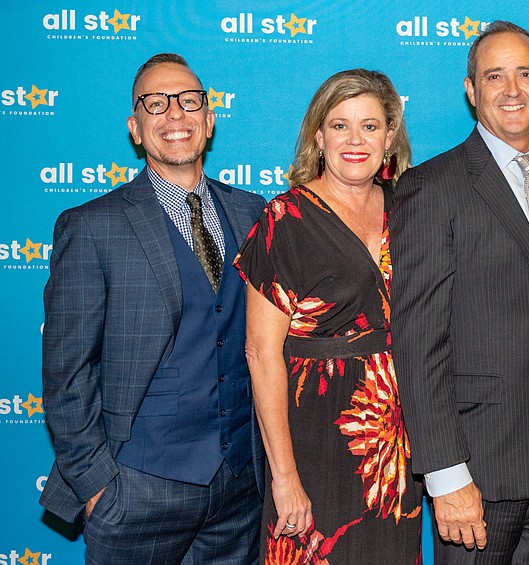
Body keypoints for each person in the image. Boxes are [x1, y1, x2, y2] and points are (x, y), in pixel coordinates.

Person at [40, 53, 266, 563]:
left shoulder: (255, 213)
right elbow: (66, 372)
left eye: (189, 101)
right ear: (135, 128)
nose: (175, 114)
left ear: (209, 120)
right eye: (155, 103)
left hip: (239, 491)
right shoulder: (92, 226)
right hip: (135, 491)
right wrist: (99, 487)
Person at [390, 21, 529, 564]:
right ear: (470, 89)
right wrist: (445, 473)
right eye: (494, 76)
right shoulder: (432, 187)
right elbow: (417, 341)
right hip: (478, 467)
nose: (511, 89)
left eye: (525, 74)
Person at [235, 69, 422, 564]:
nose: (355, 140)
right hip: (312, 434)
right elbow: (260, 351)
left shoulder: (408, 211)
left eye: (370, 126)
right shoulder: (286, 218)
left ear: (389, 137)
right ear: (319, 137)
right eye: (340, 126)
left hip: (393, 439)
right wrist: (285, 476)